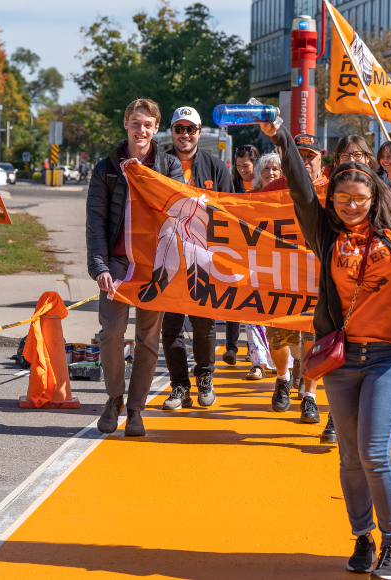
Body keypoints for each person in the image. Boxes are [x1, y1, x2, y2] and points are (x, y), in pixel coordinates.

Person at [261, 118, 391, 579]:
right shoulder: (325, 234)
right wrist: (280, 137)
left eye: (360, 199)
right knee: (350, 456)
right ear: (332, 201)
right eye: (343, 199)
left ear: (374, 198)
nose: (352, 206)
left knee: (375, 452)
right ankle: (363, 538)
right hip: (342, 357)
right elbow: (299, 190)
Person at [86, 98, 184, 437]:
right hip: (116, 265)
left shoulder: (170, 167)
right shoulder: (107, 167)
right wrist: (99, 266)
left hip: (155, 267)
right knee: (111, 333)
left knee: (148, 340)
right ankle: (113, 398)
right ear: (125, 123)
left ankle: (136, 409)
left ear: (156, 128)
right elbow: (95, 222)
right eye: (135, 122)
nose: (140, 130)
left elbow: (179, 217)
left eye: (147, 124)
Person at [159, 107, 235, 411]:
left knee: (204, 324)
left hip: (204, 258)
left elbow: (231, 213)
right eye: (179, 129)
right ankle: (179, 385)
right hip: (167, 258)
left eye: (191, 129)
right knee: (171, 326)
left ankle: (205, 377)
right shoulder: (159, 164)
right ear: (172, 132)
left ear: (199, 133)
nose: (185, 135)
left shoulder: (216, 167)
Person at [261, 134, 325, 426]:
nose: (304, 161)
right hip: (280, 276)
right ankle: (283, 377)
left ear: (320, 160)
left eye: (309, 156)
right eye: (298, 156)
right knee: (278, 337)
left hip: (318, 279)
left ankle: (309, 396)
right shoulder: (272, 190)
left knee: (314, 338)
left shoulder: (331, 190)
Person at [241, 152, 283, 382]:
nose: (271, 173)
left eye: (275, 169)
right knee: (253, 312)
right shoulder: (250, 197)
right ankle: (258, 363)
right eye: (266, 169)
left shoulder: (291, 196)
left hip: (285, 263)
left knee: (281, 312)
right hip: (256, 261)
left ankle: (282, 363)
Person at [332, 135, 391, 199]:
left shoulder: (390, 188)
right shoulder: (331, 188)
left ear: (367, 157)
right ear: (338, 160)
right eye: (345, 156)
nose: (351, 160)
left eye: (357, 155)